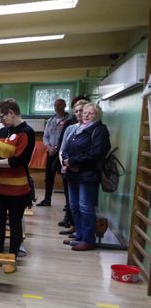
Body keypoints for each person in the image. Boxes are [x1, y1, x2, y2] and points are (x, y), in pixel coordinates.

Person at [0, 98, 35, 274]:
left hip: (17, 188)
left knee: (14, 223)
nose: (1, 120)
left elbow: (19, 160)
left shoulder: (27, 132)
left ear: (12, 113)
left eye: (2, 116)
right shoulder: (1, 132)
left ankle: (12, 258)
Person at [62, 103, 111, 251]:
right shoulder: (79, 129)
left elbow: (97, 153)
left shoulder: (99, 130)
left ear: (97, 115)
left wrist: (73, 161)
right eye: (85, 112)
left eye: (91, 113)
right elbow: (66, 148)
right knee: (74, 206)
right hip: (73, 174)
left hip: (88, 175)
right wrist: (67, 161)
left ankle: (88, 240)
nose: (86, 115)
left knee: (85, 207)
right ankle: (80, 235)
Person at [58, 99, 88, 234]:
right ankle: (74, 226)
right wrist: (64, 164)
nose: (79, 114)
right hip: (68, 169)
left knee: (84, 204)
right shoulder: (71, 128)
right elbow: (62, 149)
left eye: (82, 111)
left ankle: (83, 233)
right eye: (76, 111)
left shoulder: (93, 129)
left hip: (84, 171)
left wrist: (73, 163)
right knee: (72, 202)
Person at [37, 98, 71, 206]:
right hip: (51, 152)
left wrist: (57, 148)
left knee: (65, 178)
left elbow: (69, 137)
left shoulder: (70, 120)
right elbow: (45, 136)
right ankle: (47, 200)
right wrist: (48, 147)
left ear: (64, 106)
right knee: (49, 177)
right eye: (55, 105)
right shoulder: (51, 120)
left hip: (63, 153)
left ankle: (68, 204)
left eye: (60, 105)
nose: (57, 107)